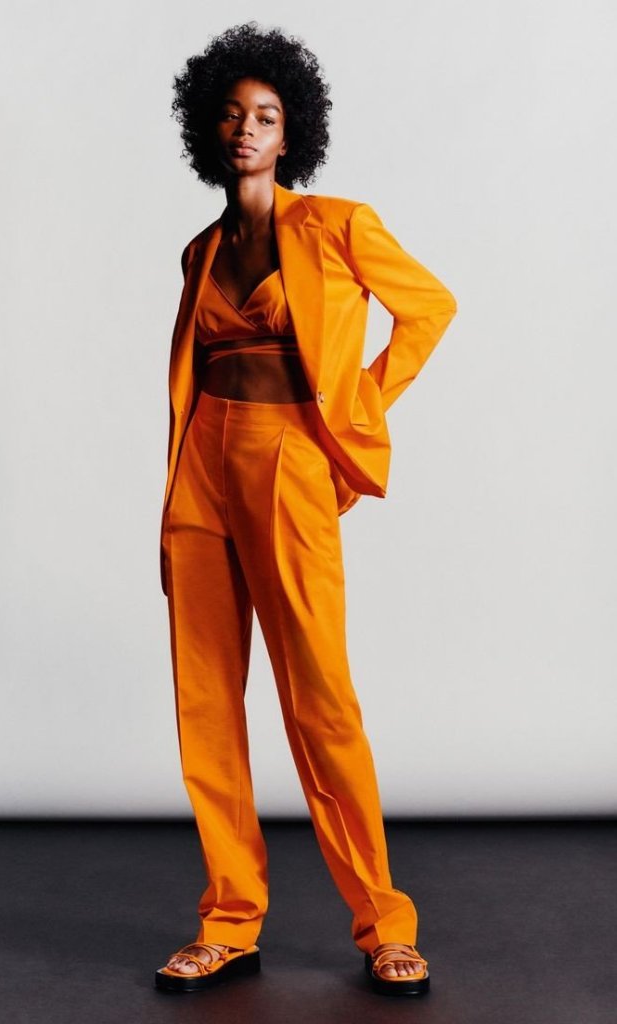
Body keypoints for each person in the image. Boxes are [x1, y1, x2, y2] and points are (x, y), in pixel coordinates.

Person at [155, 21, 457, 996]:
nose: (246, 128)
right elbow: (191, 379)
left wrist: (353, 410)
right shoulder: (199, 252)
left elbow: (429, 308)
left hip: (286, 460)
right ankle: (229, 919)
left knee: (319, 699)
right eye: (232, 114)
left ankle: (382, 922)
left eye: (266, 115)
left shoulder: (335, 225)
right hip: (201, 466)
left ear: (291, 134)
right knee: (205, 701)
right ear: (209, 129)